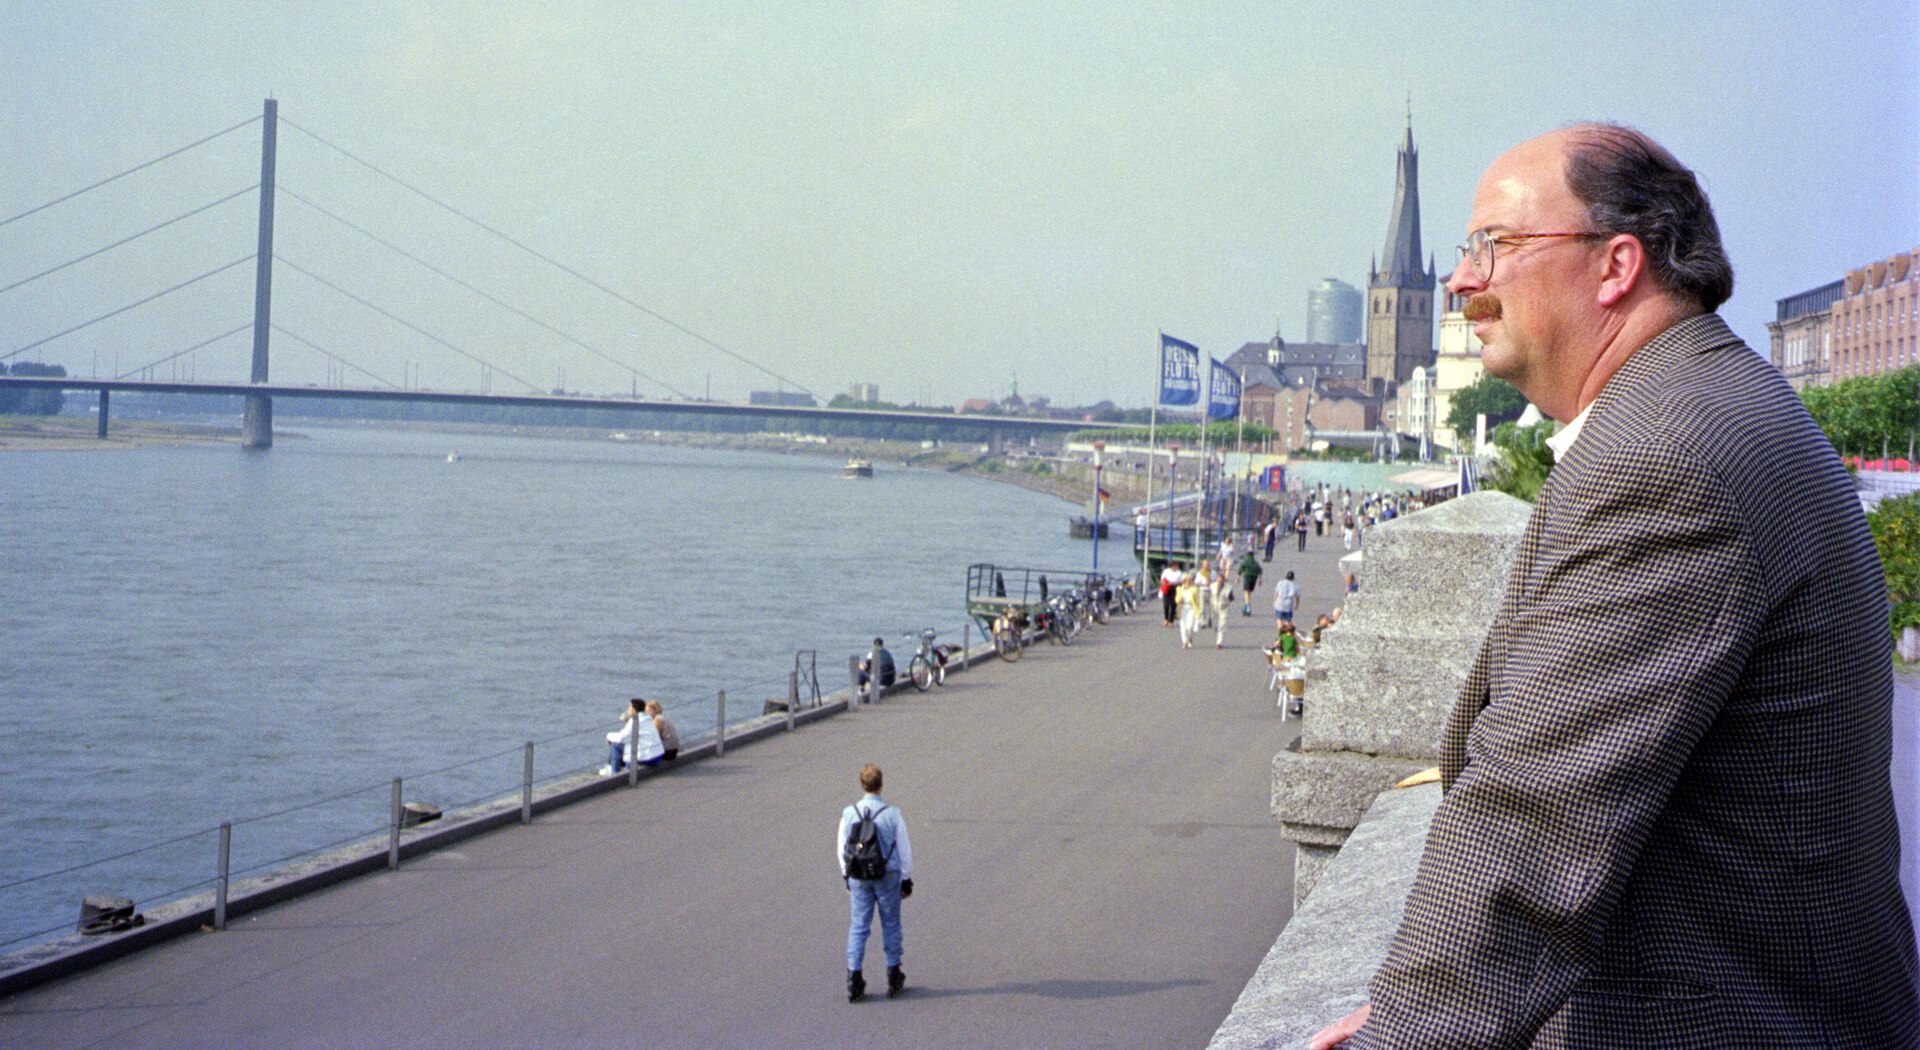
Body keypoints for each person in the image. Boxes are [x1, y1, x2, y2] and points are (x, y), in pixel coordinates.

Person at [1310, 124, 1918, 1048]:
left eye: (1496, 247)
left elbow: (1535, 816)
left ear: (1615, 266)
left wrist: (1413, 1030)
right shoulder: (1712, 404)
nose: (1463, 282)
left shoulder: (1663, 458)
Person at [838, 764, 912, 1002]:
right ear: (881, 785)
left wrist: (846, 876)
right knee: (891, 924)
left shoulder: (849, 813)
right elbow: (904, 850)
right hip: (887, 874)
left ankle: (854, 976)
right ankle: (893, 972)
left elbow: (842, 848)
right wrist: (906, 878)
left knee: (859, 925)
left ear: (862, 786)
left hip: (859, 875)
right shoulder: (892, 815)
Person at [603, 697, 665, 774]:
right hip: (657, 755)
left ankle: (614, 773)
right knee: (629, 747)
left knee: (615, 746)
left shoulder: (635, 720)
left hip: (647, 757)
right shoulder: (648, 718)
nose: (628, 709)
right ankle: (623, 768)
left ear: (634, 709)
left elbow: (623, 737)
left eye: (629, 707)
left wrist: (609, 736)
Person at [1175, 567, 1201, 649]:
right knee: (1182, 625)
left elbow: (1197, 601)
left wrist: (1199, 610)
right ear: (1183, 581)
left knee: (1189, 626)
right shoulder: (1179, 589)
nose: (1188, 582)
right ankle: (1184, 642)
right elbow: (1176, 598)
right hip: (1182, 607)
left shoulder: (1194, 589)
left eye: (1190, 580)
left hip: (1191, 607)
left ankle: (1190, 638)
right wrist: (1179, 600)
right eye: (1187, 580)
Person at [1237, 550, 1263, 617]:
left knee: (1246, 592)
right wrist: (1260, 580)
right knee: (1249, 592)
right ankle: (1246, 604)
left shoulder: (1245, 561)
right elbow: (1259, 571)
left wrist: (1237, 578)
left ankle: (1247, 607)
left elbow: (1240, 569)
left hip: (1247, 577)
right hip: (1254, 578)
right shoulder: (1256, 563)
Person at [1159, 560, 1184, 625]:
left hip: (1175, 588)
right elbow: (1162, 580)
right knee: (1166, 604)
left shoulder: (1179, 573)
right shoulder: (1166, 571)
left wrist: (1175, 583)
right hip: (1167, 588)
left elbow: (1182, 582)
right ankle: (1166, 619)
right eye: (1173, 566)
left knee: (1173, 605)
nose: (1174, 567)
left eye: (1175, 566)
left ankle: (1171, 620)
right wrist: (1167, 583)